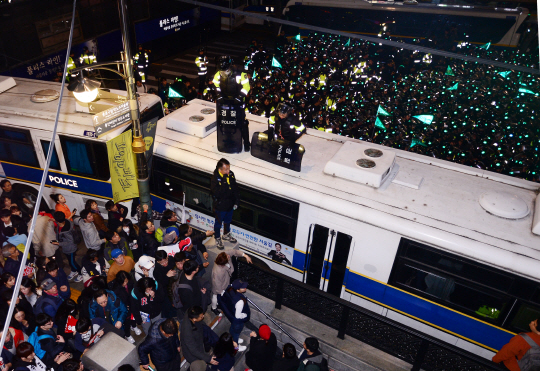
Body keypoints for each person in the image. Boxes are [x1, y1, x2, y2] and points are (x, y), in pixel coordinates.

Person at [210, 158, 239, 250]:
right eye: (226, 169)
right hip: (220, 206)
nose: (228, 171)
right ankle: (217, 238)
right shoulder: (215, 179)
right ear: (220, 170)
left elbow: (235, 188)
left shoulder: (231, 174)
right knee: (218, 224)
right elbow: (217, 194)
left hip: (230, 205)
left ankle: (226, 234)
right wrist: (224, 181)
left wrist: (236, 201)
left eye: (229, 168)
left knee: (228, 221)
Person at [211, 251, 252, 315]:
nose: (229, 256)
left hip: (225, 279)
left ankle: (218, 304)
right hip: (220, 284)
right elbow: (217, 283)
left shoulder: (224, 255)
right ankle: (213, 308)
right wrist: (220, 291)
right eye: (227, 257)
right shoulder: (218, 271)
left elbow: (233, 251)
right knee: (215, 295)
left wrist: (245, 255)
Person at [52, 211, 83, 282]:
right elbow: (61, 222)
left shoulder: (65, 231)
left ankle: (81, 273)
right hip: (66, 249)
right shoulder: (66, 221)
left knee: (72, 262)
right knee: (70, 261)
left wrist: (58, 243)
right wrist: (55, 221)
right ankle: (73, 270)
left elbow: (70, 242)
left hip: (70, 248)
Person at [219, 279, 250, 346]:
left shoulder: (230, 289)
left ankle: (233, 339)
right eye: (243, 287)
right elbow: (238, 316)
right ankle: (236, 347)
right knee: (236, 333)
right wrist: (244, 315)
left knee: (232, 330)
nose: (245, 288)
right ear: (238, 289)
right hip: (238, 321)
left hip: (232, 317)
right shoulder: (240, 302)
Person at [112, 271, 141, 339]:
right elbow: (118, 301)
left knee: (133, 316)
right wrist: (124, 306)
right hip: (124, 307)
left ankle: (133, 326)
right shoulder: (116, 289)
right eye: (124, 282)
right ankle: (127, 334)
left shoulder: (130, 283)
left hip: (132, 304)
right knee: (126, 321)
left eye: (126, 281)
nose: (125, 283)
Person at [153, 250, 176, 318]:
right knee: (168, 308)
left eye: (166, 261)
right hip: (165, 292)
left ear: (167, 257)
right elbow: (160, 285)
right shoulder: (156, 271)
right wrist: (167, 276)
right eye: (162, 263)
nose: (165, 263)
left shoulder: (171, 260)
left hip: (174, 288)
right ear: (157, 261)